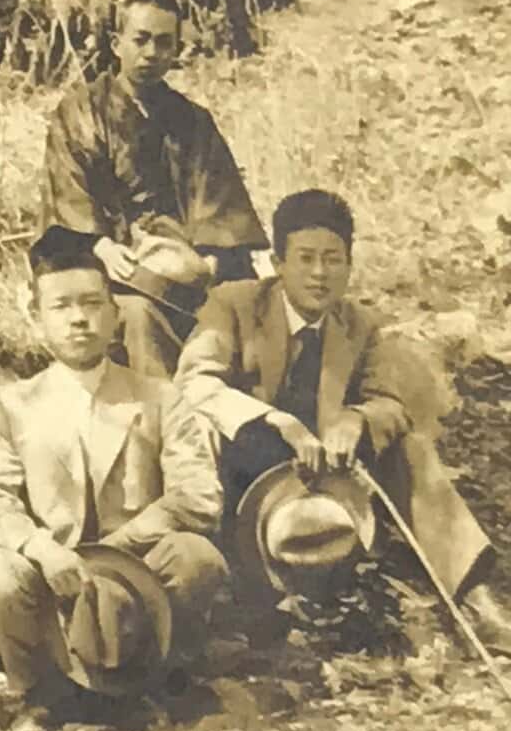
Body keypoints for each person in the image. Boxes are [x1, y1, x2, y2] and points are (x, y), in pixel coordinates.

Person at [175, 188, 511, 649]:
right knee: (199, 433)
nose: (319, 274)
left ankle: (470, 596)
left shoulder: (361, 325)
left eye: (333, 260)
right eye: (306, 258)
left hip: (328, 479)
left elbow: (391, 403)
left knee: (411, 448)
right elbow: (193, 384)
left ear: (350, 266)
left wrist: (357, 419)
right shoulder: (234, 304)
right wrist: (275, 421)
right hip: (246, 468)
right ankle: (216, 605)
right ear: (278, 263)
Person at [0, 230, 227, 723]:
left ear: (115, 313)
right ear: (36, 315)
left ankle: (154, 684)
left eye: (92, 303)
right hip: (50, 583)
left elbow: (200, 495)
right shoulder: (10, 405)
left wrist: (124, 544)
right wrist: (42, 548)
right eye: (61, 306)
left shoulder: (160, 397)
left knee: (196, 557)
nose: (79, 319)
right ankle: (38, 694)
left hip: (138, 584)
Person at [41, 0, 268, 378]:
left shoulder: (192, 120)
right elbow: (69, 199)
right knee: (138, 316)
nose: (151, 53)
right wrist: (101, 245)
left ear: (177, 49)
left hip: (184, 260)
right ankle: (163, 421)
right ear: (117, 44)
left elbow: (220, 205)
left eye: (164, 43)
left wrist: (209, 261)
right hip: (109, 262)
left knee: (247, 311)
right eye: (141, 39)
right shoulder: (80, 111)